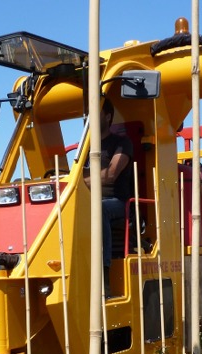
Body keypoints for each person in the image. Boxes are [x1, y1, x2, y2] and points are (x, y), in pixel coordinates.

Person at [84, 98, 133, 297]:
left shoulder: (122, 143)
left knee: (99, 209)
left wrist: (84, 181)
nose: (90, 117)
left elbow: (112, 173)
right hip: (90, 201)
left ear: (108, 116)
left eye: (95, 112)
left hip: (119, 203)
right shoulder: (86, 148)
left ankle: (103, 278)